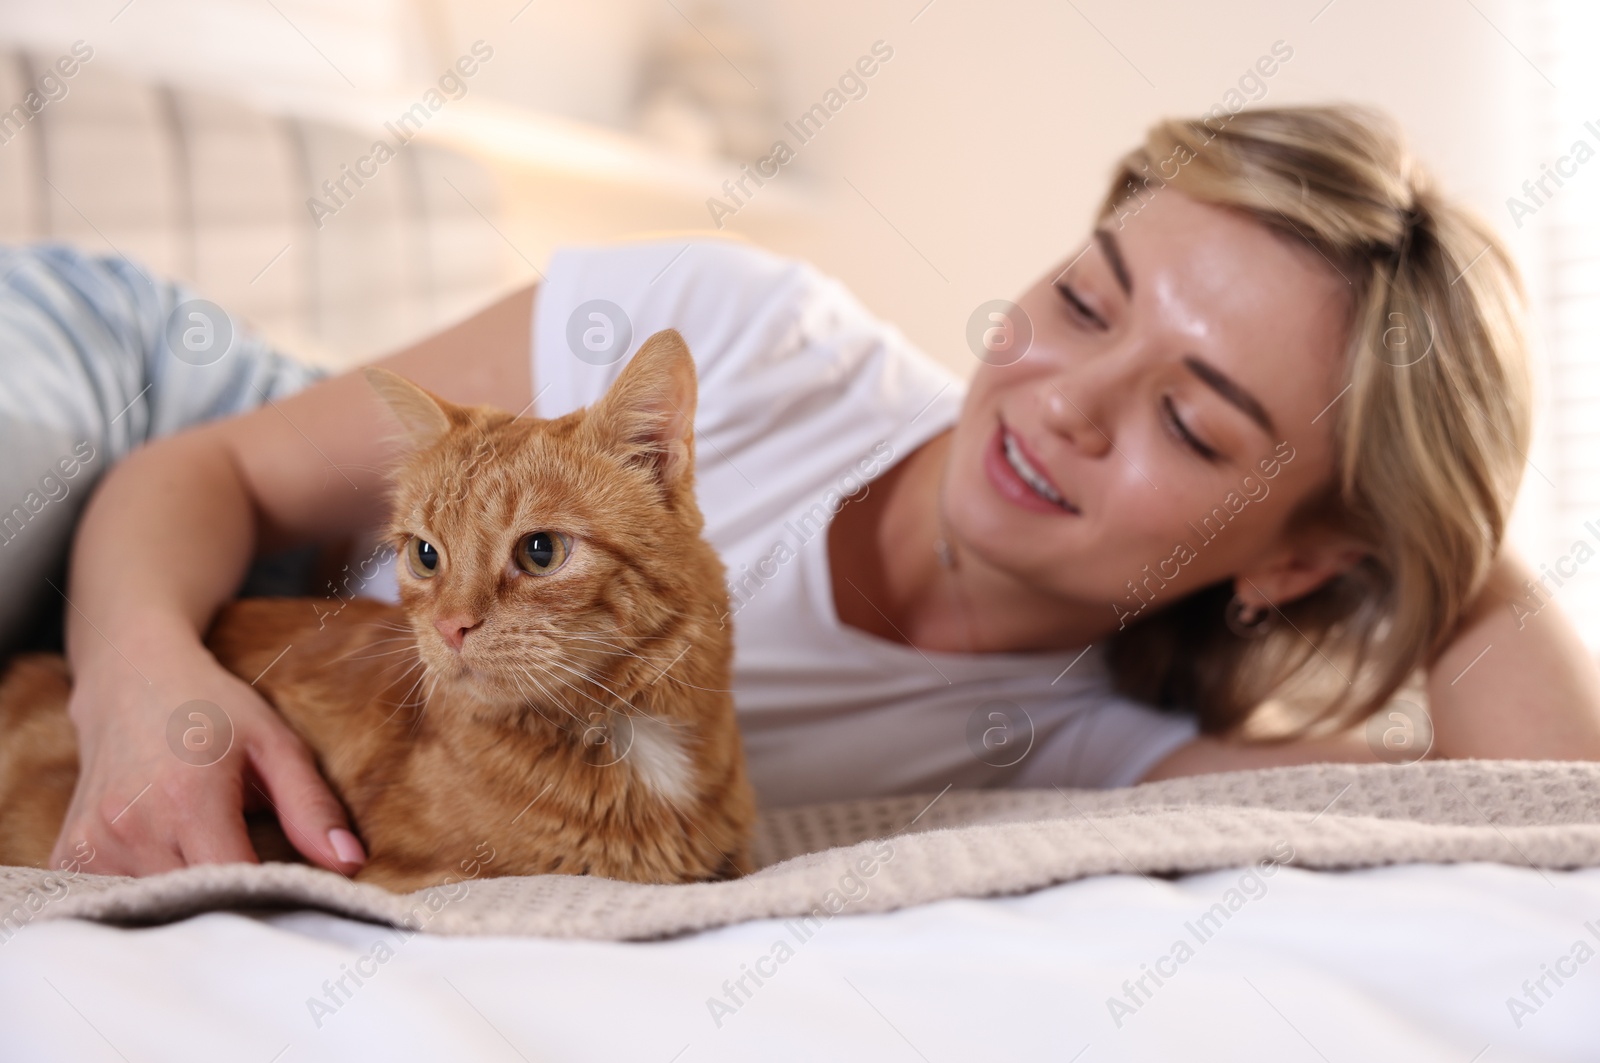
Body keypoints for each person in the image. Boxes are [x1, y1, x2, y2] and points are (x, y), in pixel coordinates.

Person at [17, 104, 1600, 880]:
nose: (1058, 399)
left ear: (1291, 561)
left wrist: (1437, 545)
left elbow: (1547, 818)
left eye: (1190, 425)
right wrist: (142, 686)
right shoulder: (752, 335)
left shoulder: (1100, 757)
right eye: (1088, 298)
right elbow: (206, 463)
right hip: (164, 415)